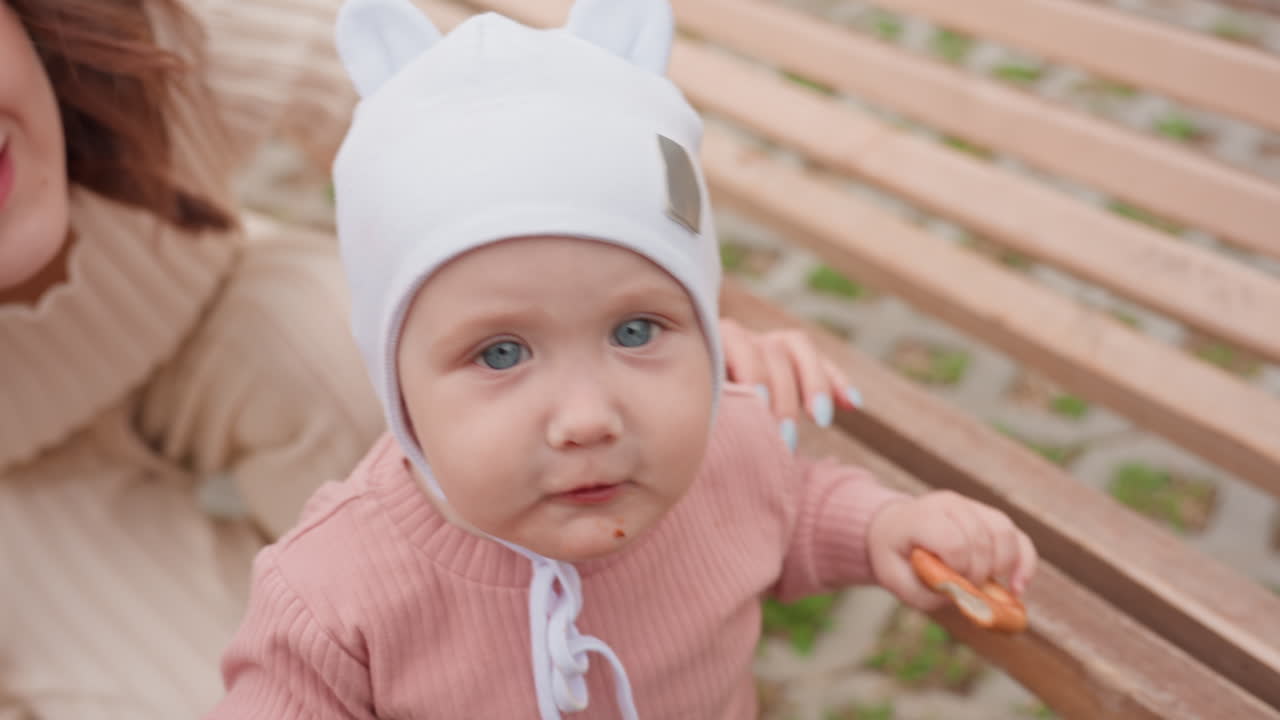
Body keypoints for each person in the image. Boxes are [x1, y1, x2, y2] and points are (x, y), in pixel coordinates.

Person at [0, 0, 862, 717]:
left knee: (450, 398)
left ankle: (547, 640)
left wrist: (684, 325)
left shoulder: (168, 35)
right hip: (21, 488)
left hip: (212, 315)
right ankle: (337, 631)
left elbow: (485, 139)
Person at [206, 0, 1038, 717]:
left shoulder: (727, 455)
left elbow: (795, 507)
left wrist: (888, 525)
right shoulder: (332, 593)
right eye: (501, 353)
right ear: (397, 384)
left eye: (636, 332)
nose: (587, 418)